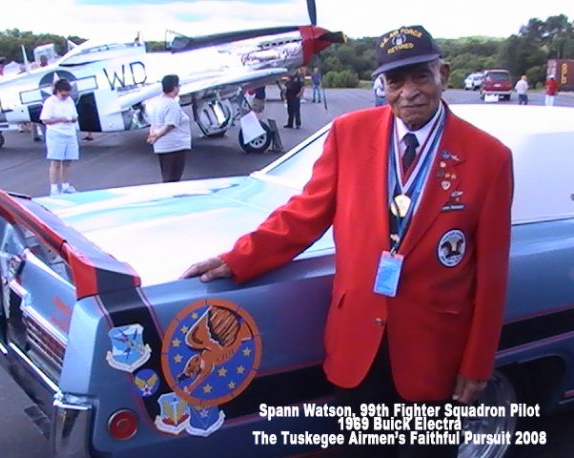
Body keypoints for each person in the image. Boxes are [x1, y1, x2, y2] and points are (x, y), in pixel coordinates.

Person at [182, 25, 513, 458]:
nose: (409, 92)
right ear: (382, 85)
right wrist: (240, 258)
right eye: (395, 81)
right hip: (358, 345)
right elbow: (305, 214)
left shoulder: (488, 157)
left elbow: (491, 276)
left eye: (420, 77)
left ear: (444, 75)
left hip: (435, 352)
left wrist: (477, 365)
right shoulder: (349, 133)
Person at [147, 74, 191, 182]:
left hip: (161, 146)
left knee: (167, 176)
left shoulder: (156, 103)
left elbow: (153, 123)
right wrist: (157, 134)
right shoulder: (172, 104)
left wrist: (153, 135)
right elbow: (170, 124)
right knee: (173, 179)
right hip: (174, 146)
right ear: (175, 88)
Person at [40, 78, 80, 196]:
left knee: (67, 162)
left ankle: (66, 186)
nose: (66, 96)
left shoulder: (69, 101)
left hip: (70, 132)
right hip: (56, 133)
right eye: (63, 94)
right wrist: (60, 119)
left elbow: (75, 115)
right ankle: (54, 189)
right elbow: (45, 119)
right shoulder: (50, 102)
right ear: (57, 91)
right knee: (56, 162)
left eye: (68, 93)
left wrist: (72, 119)